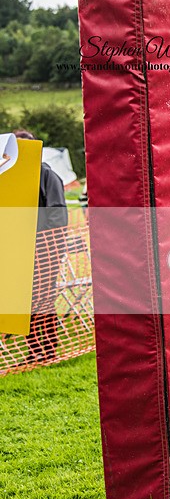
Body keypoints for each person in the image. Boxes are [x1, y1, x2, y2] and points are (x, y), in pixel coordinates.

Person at [14, 130, 69, 364]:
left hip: (45, 251)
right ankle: (34, 350)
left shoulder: (48, 176)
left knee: (42, 300)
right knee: (26, 302)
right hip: (20, 252)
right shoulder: (16, 180)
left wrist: (43, 246)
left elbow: (57, 216)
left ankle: (47, 350)